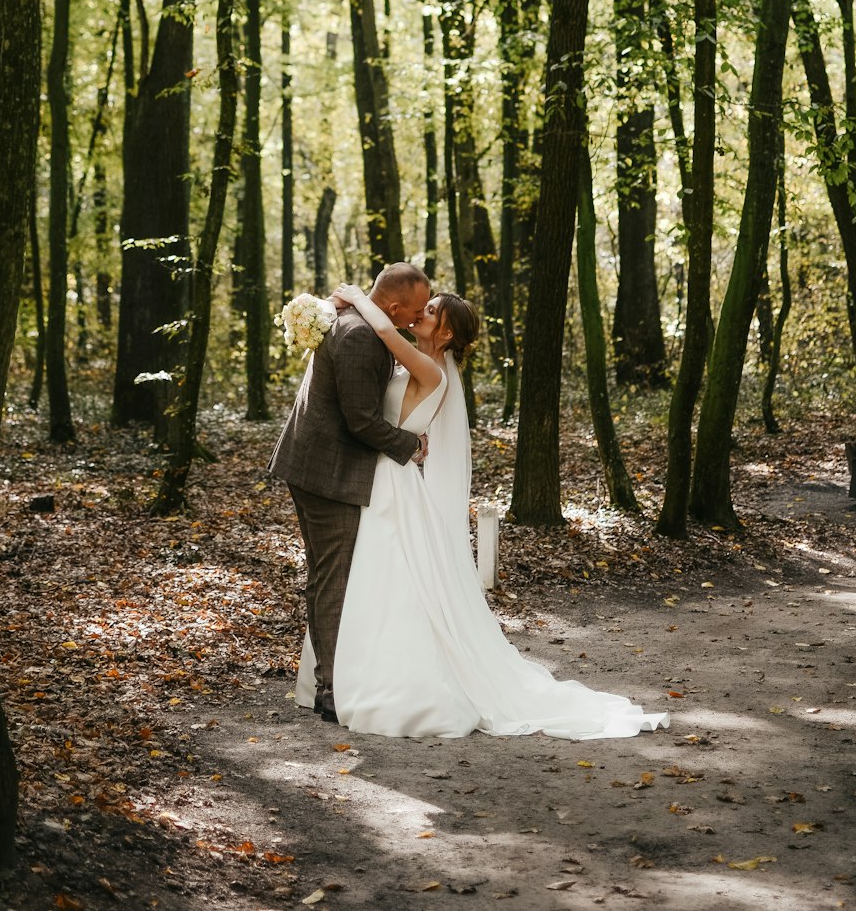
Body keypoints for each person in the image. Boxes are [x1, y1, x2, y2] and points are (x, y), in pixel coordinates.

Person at [294, 284, 670, 741]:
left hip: (389, 481)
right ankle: (345, 676)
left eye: (429, 311)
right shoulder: (417, 357)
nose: (420, 315)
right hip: (383, 474)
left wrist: (355, 296)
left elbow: (382, 329)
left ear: (447, 332)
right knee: (366, 580)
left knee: (377, 578)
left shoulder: (431, 369)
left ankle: (367, 681)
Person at [268, 262, 432, 724]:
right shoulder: (361, 336)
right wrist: (410, 447)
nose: (419, 318)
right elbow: (360, 421)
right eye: (415, 310)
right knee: (332, 578)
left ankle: (334, 679)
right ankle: (331, 689)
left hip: (316, 464)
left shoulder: (359, 322)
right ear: (394, 306)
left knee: (330, 575)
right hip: (327, 472)